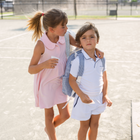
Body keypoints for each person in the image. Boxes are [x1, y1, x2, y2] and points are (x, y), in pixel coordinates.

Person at [27, 8, 104, 140]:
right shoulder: (41, 45)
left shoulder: (65, 36)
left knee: (65, 115)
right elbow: (31, 69)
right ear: (51, 29)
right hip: (46, 84)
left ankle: (49, 128)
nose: (66, 28)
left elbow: (82, 45)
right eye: (63, 26)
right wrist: (44, 64)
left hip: (61, 82)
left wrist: (95, 48)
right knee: (49, 115)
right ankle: (52, 136)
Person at [69, 22, 112, 140]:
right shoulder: (78, 60)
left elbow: (104, 78)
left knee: (95, 125)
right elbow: (71, 80)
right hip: (84, 101)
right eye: (84, 37)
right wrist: (82, 95)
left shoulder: (101, 59)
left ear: (97, 40)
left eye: (92, 36)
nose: (88, 40)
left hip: (98, 99)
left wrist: (105, 94)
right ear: (80, 42)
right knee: (84, 127)